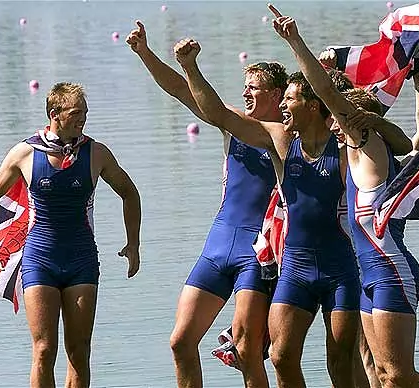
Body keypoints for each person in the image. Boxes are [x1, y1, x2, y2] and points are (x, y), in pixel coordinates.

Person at [267, 6, 419, 388]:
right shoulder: (361, 150)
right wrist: (418, 87)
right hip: (369, 271)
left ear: (350, 118)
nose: (333, 126)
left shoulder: (364, 140)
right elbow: (416, 139)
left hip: (390, 268)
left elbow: (325, 92)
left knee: (397, 374)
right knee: (381, 376)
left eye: (338, 118)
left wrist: (295, 42)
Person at [126, 21, 286, 388]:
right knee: (181, 342)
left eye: (254, 89)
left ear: (277, 94)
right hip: (217, 246)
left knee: (247, 351)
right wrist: (145, 53)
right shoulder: (231, 124)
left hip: (256, 254)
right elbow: (183, 91)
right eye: (244, 87)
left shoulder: (289, 137)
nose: (246, 94)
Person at [0, 82, 141, 388]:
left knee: (79, 352)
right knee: (43, 350)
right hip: (40, 259)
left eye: (85, 113)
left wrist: (133, 243)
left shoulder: (97, 153)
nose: (84, 119)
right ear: (55, 114)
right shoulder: (25, 153)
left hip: (81, 259)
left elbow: (129, 193)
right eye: (77, 113)